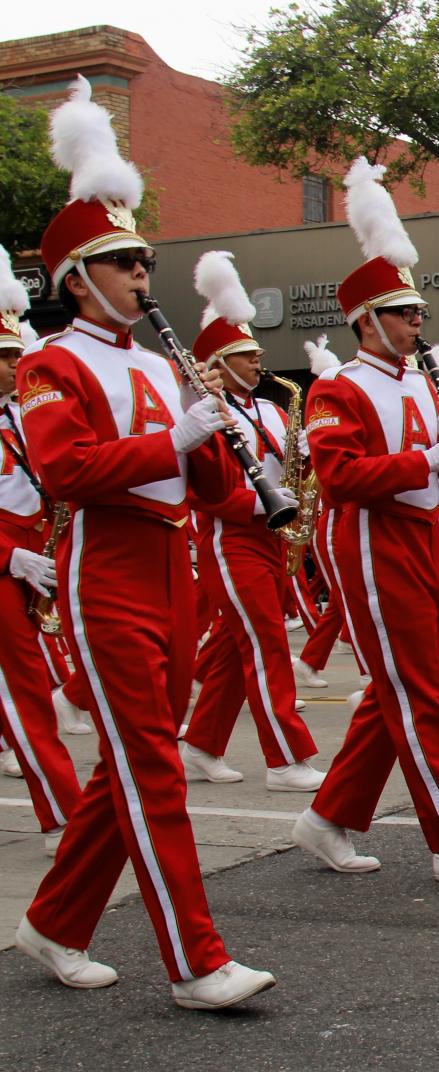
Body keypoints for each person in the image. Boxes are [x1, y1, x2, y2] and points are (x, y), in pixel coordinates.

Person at [16, 77, 276, 1009]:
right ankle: (197, 959)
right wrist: (175, 437)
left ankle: (51, 922)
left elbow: (203, 488)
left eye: (144, 261)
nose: (141, 276)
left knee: (131, 761)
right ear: (75, 278)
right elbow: (67, 471)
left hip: (178, 567)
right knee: (152, 770)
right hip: (109, 570)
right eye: (123, 263)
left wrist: (220, 445)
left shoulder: (166, 363)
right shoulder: (52, 362)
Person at [291, 157, 439, 884]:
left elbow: (435, 466)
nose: (416, 323)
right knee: (418, 692)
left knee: (401, 688)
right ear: (365, 320)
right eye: (402, 313)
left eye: (420, 313)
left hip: (420, 540)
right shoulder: (337, 388)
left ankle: (327, 817)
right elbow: (340, 477)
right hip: (367, 543)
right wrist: (431, 460)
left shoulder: (423, 385)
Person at [180, 252, 323, 792]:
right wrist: (261, 504)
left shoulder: (273, 408)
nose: (259, 360)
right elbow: (207, 492)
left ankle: (200, 744)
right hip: (231, 540)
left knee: (227, 652)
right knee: (265, 644)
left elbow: (285, 467)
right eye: (247, 354)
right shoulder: (207, 411)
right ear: (219, 361)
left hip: (269, 538)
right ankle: (286, 758)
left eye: (258, 352)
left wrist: (307, 457)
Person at [0, 245, 82, 859]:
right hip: (6, 560)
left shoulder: (18, 416)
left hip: (32, 553)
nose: (13, 366)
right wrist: (8, 557)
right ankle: (62, 811)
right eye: (4, 357)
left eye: (15, 355)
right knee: (23, 692)